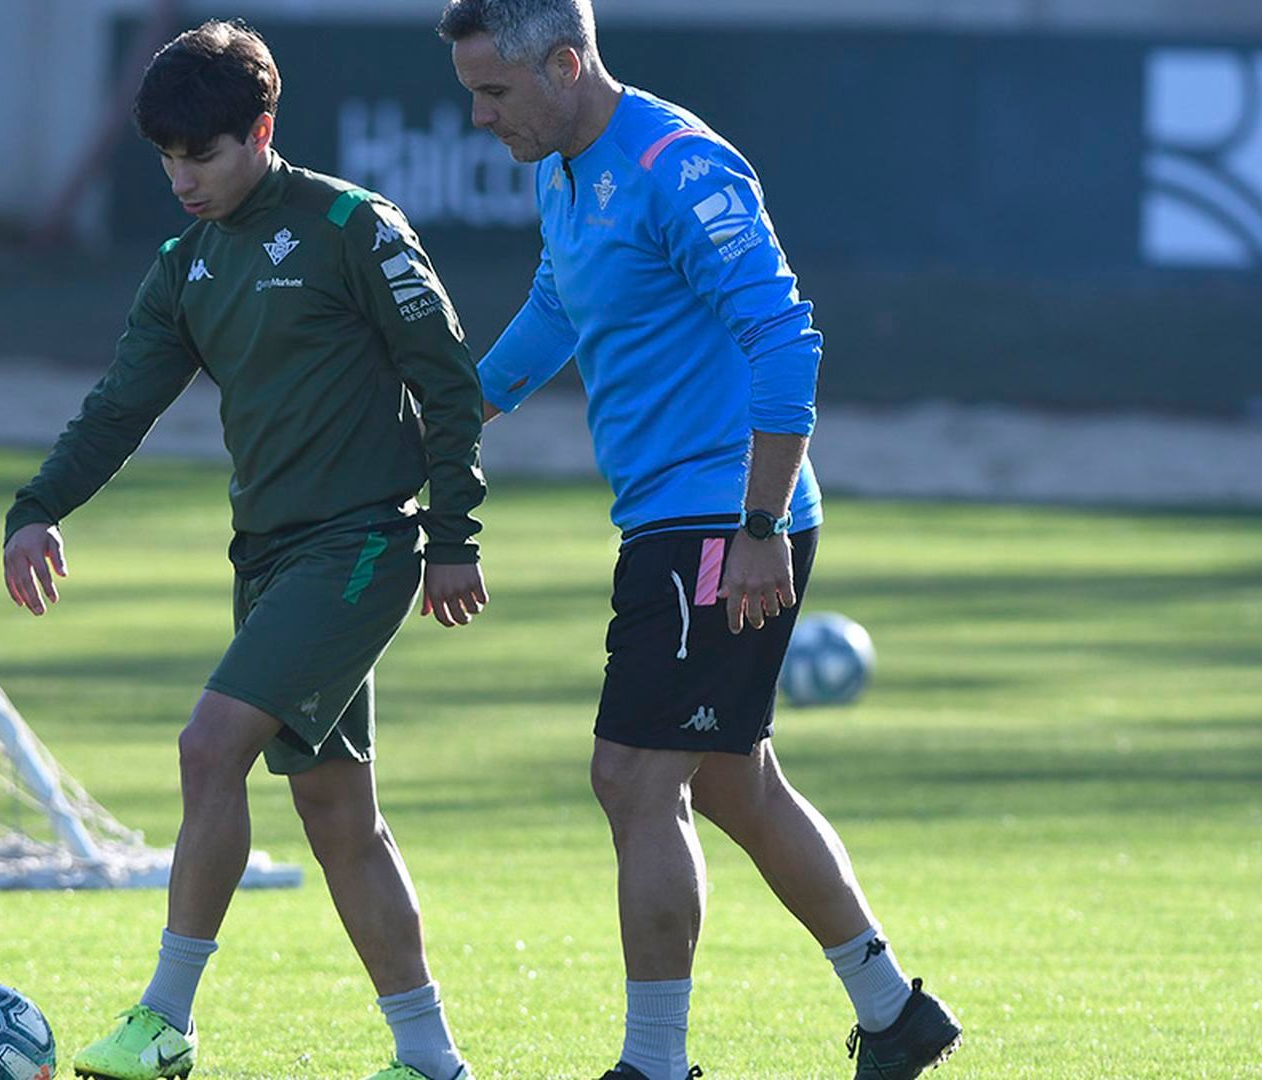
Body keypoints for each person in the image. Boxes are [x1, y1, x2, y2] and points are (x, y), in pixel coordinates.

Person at [433, 3, 963, 1079]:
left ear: (567, 64)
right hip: (680, 518)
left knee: (632, 777)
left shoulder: (681, 166)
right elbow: (557, 306)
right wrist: (462, 410)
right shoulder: (563, 167)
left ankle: (656, 1063)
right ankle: (893, 1011)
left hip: (719, 518)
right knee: (729, 780)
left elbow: (784, 337)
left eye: (493, 92)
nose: (480, 118)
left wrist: (758, 524)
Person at [2, 20, 489, 1080]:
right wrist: (38, 508)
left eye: (204, 156)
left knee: (206, 746)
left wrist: (454, 535)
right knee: (337, 816)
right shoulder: (186, 265)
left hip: (360, 545)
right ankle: (431, 1061)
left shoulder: (353, 227)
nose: (183, 180)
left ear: (261, 130)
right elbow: (117, 407)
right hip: (268, 562)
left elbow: (450, 381)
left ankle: (165, 1021)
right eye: (168, 159)